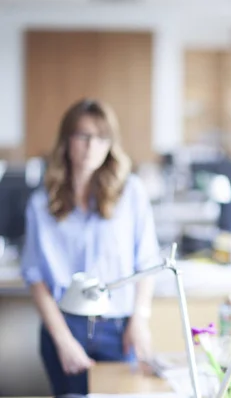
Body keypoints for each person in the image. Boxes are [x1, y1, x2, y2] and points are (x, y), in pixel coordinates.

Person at [20, 99, 160, 396]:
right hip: (65, 327)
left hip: (119, 329)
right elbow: (35, 279)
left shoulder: (131, 192)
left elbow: (147, 262)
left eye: (101, 137)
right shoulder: (41, 204)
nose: (91, 145)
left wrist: (140, 319)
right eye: (83, 135)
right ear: (67, 140)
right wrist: (63, 340)